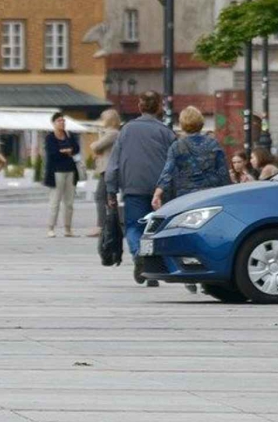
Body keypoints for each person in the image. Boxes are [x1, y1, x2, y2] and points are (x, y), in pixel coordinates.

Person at [105, 91, 176, 286]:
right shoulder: (166, 132)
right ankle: (152, 269)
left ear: (140, 106)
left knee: (134, 227)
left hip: (133, 187)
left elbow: (114, 163)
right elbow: (174, 162)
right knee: (156, 230)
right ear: (159, 107)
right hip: (160, 189)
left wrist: (111, 190)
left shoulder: (126, 130)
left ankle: (138, 255)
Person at [152, 107, 232, 210]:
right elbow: (223, 172)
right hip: (211, 196)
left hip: (186, 197)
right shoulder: (213, 144)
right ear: (201, 122)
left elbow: (167, 173)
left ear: (182, 124)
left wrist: (157, 193)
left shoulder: (177, 146)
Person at [43, 112, 80, 238]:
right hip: (56, 172)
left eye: (63, 120)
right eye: (59, 120)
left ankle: (67, 228)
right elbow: (53, 153)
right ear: (54, 123)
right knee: (55, 201)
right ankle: (51, 228)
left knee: (69, 202)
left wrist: (67, 151)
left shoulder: (69, 135)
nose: (62, 122)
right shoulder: (50, 137)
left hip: (70, 171)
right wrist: (66, 151)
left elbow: (76, 149)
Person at [88, 109, 121, 237]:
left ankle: (101, 226)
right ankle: (112, 226)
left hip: (108, 169)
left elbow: (96, 147)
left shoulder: (112, 133)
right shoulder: (112, 133)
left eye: (103, 118)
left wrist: (95, 143)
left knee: (101, 197)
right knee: (108, 198)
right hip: (107, 169)